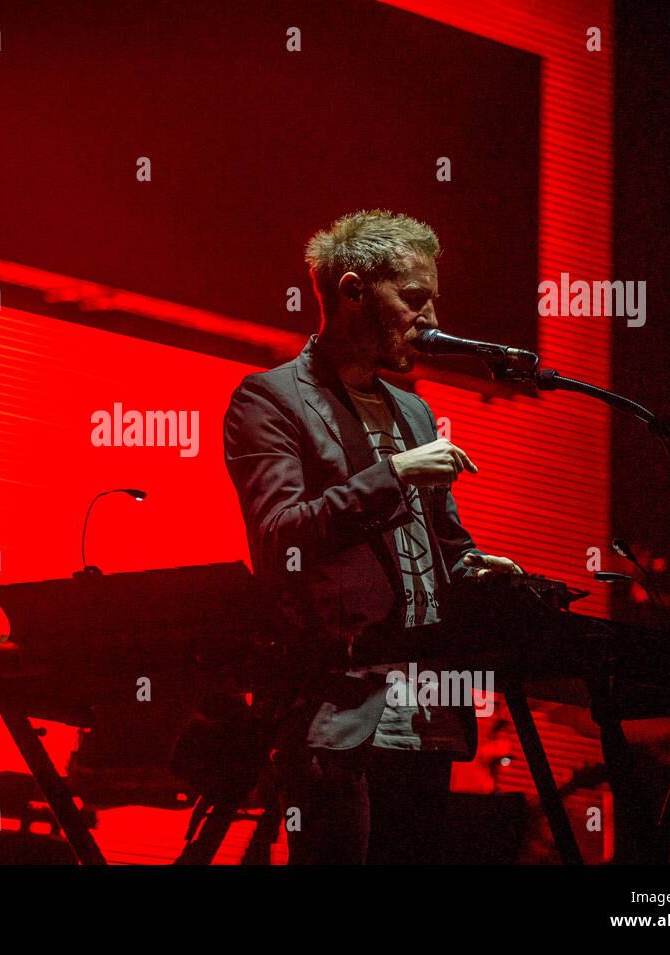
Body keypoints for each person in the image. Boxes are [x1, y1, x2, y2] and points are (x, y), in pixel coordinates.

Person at [222, 209, 523, 864]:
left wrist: (475, 565)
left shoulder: (412, 408)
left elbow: (444, 541)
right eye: (414, 298)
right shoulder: (268, 399)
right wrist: (393, 474)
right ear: (353, 290)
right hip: (340, 717)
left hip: (430, 719)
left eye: (434, 298)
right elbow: (279, 539)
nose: (431, 316)